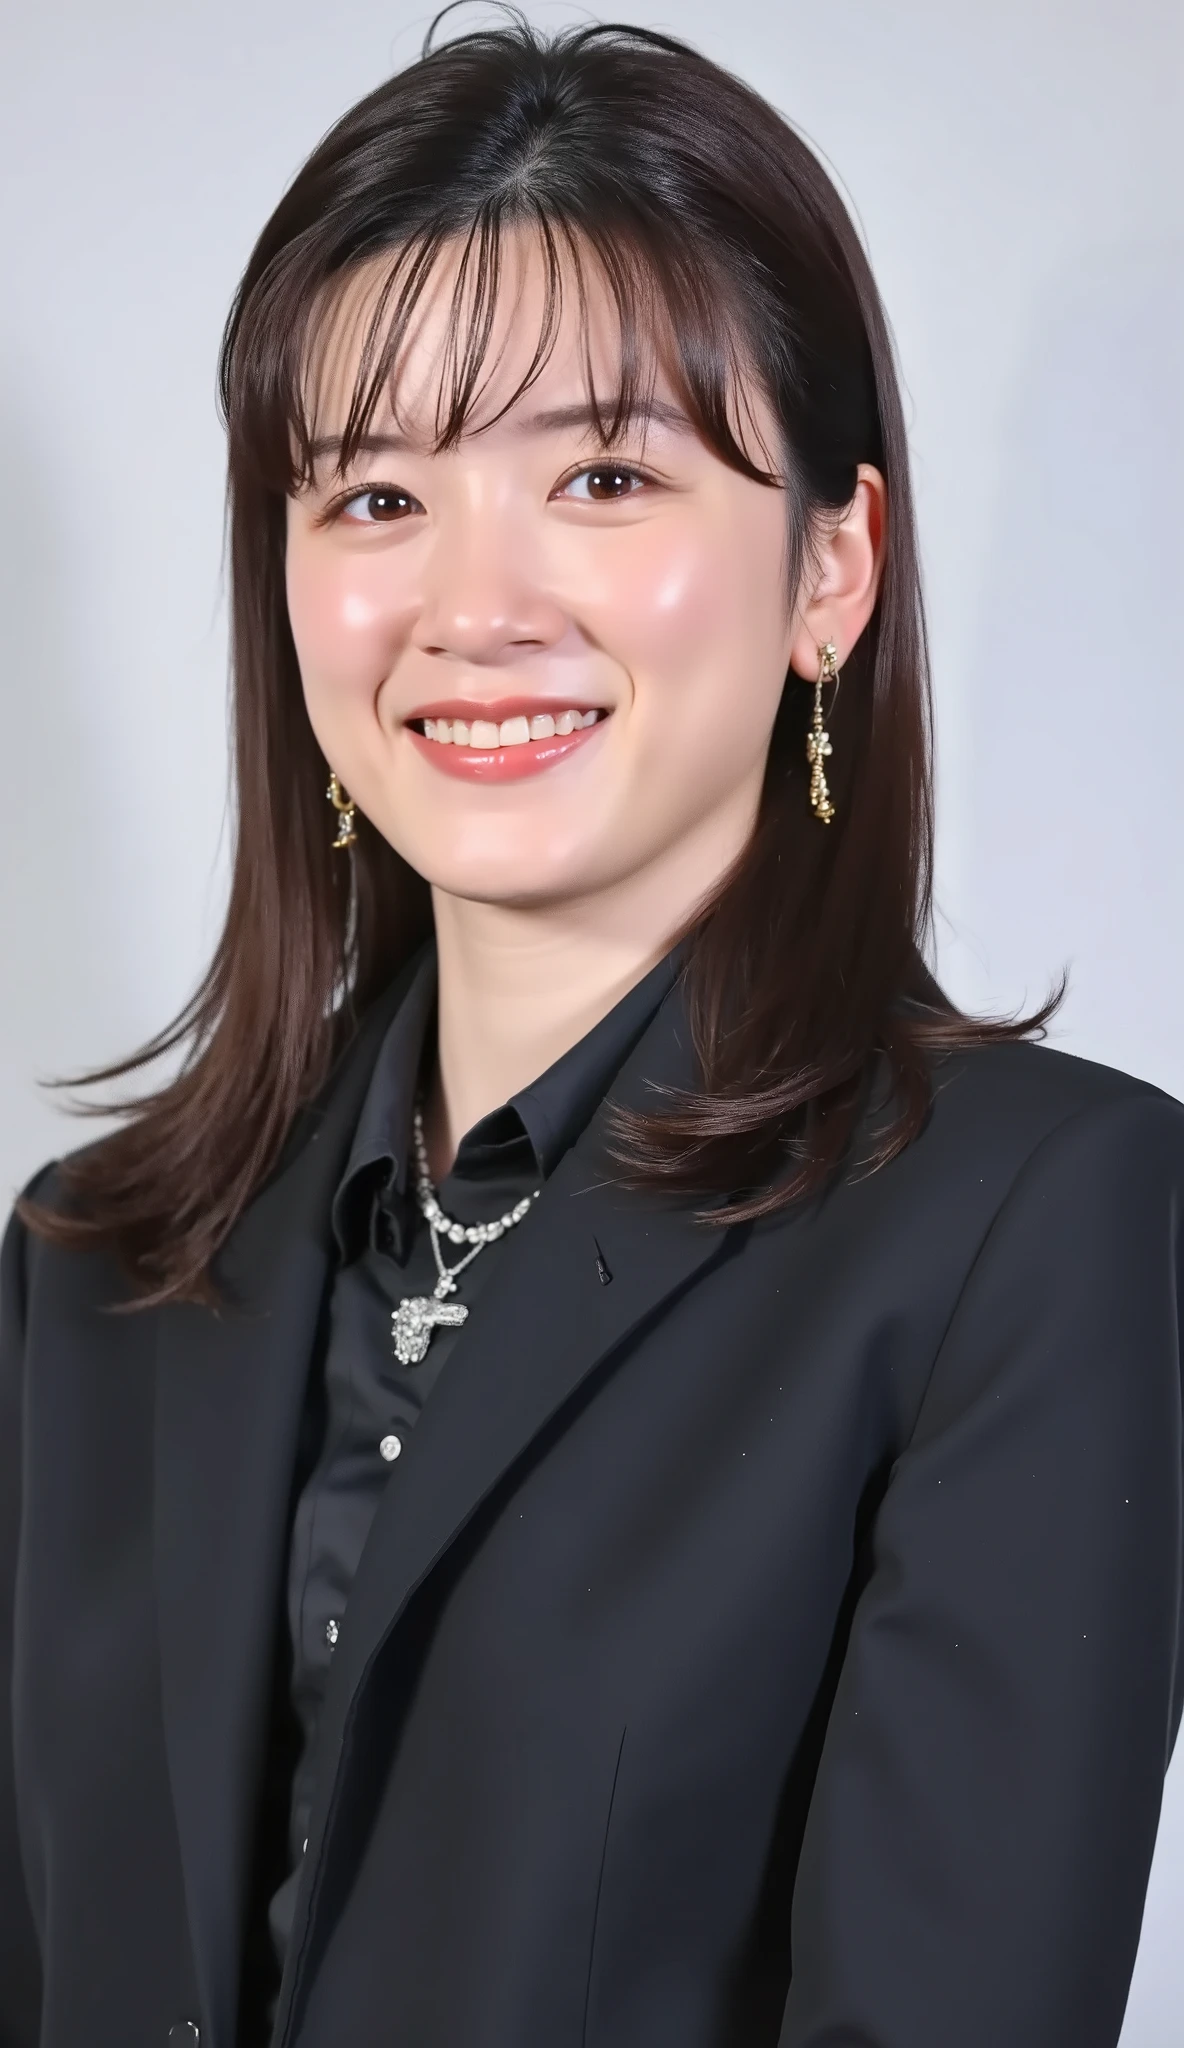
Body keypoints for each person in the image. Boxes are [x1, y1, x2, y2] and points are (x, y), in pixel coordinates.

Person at [2, 13, 1182, 2048]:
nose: (476, 602)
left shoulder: (1038, 1226)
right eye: (373, 499)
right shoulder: (89, 1264)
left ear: (835, 569)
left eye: (606, 473)